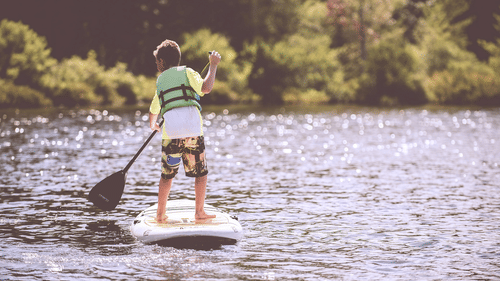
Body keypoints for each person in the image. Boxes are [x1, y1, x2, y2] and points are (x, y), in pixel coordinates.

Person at [148, 39, 220, 223]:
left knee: (167, 175)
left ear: (162, 62)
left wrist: (153, 124)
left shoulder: (160, 80)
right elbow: (206, 87)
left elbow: (154, 108)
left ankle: (160, 214)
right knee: (200, 174)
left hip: (171, 133)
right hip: (193, 131)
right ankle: (199, 212)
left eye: (157, 61)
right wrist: (213, 66)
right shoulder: (188, 72)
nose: (156, 64)